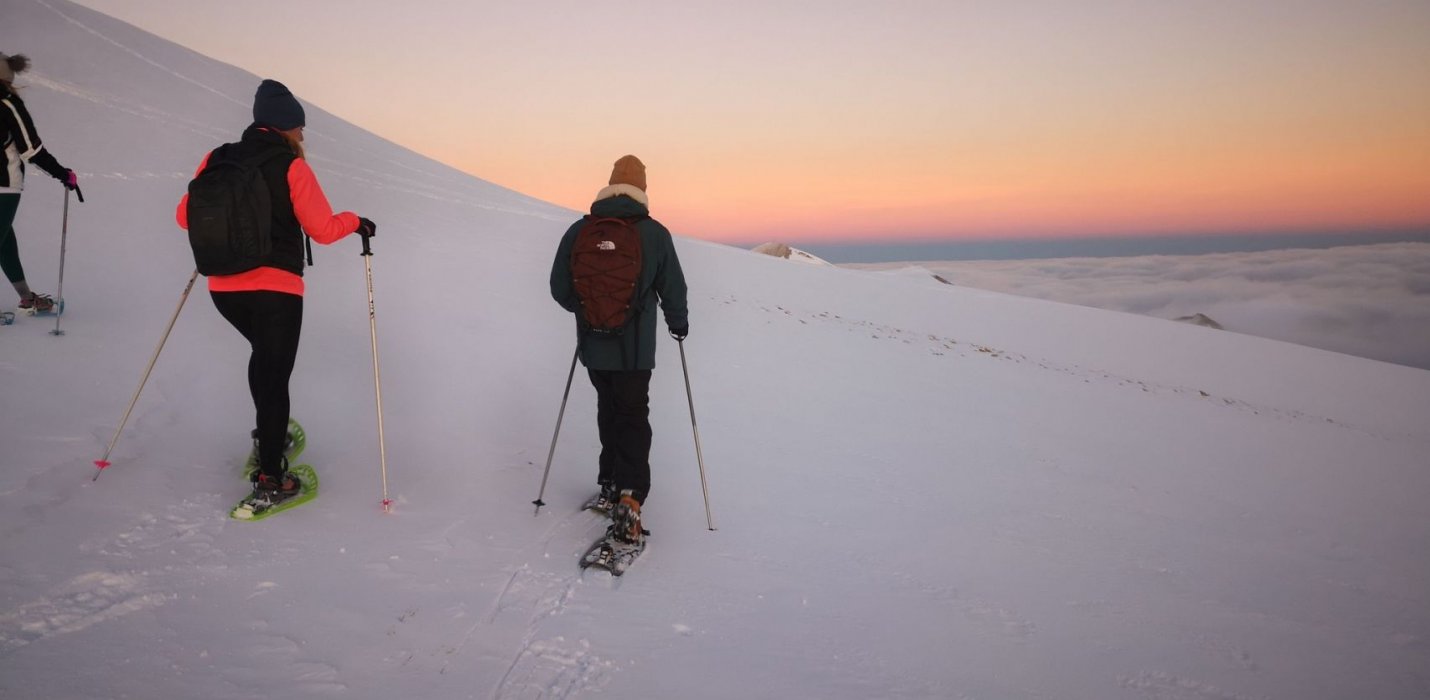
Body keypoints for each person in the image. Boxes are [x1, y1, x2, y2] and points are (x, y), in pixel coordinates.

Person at [176, 79, 375, 502]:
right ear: (285, 126)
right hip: (276, 290)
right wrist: (356, 220)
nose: (303, 135)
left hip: (223, 290)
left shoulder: (217, 157)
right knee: (274, 376)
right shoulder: (291, 166)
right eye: (300, 127)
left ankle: (270, 439)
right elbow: (321, 230)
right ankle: (271, 477)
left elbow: (184, 216)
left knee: (264, 363)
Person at [550, 155, 688, 543]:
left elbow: (560, 289)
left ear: (608, 185)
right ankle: (630, 497)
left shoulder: (580, 231)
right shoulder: (655, 233)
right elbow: (673, 289)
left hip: (593, 346)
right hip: (636, 352)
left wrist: (589, 312)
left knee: (608, 406)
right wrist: (678, 323)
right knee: (633, 412)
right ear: (642, 189)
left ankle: (609, 482)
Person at [1, 53, 80, 315]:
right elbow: (31, 150)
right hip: (4, 185)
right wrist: (62, 173)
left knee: (5, 242)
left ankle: (26, 298)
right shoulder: (8, 103)